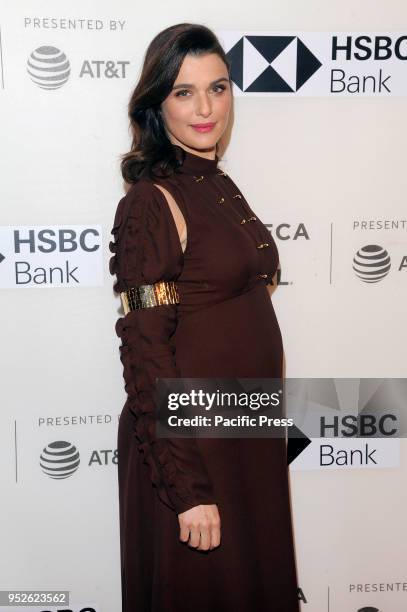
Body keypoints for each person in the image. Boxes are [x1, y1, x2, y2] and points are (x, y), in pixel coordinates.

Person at [109, 22, 300, 612]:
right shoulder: (151, 202)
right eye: (184, 92)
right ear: (155, 104)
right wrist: (186, 488)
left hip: (243, 428)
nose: (206, 108)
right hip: (192, 447)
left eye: (218, 88)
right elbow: (145, 350)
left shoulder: (215, 181)